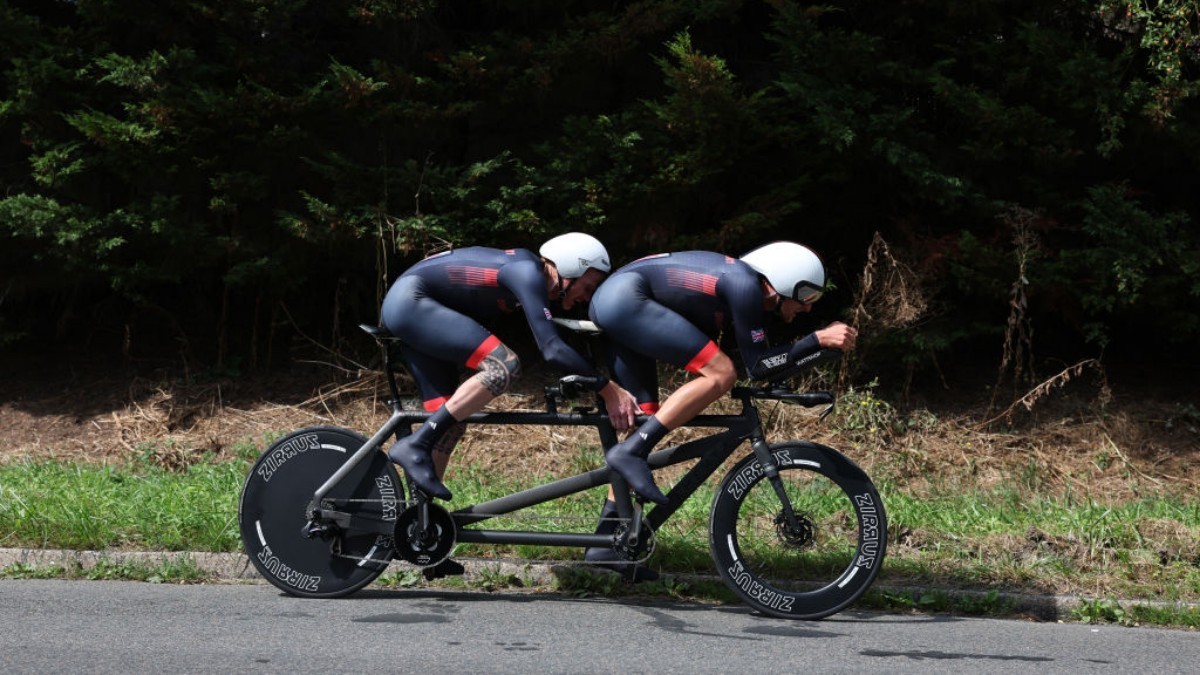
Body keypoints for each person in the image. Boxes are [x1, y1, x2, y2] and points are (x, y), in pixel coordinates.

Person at [584, 242, 857, 568]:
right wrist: (816, 339)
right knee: (720, 372)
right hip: (624, 299)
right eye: (807, 296)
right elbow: (755, 368)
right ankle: (632, 452)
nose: (808, 308)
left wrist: (812, 348)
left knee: (647, 419)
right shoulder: (744, 284)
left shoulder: (745, 289)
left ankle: (605, 544)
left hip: (620, 299)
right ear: (780, 281)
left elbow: (762, 366)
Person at [380, 233, 639, 510]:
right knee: (505, 365)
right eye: (588, 287)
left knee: (450, 419)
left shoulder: (526, 273)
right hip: (412, 301)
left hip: (414, 304)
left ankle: (419, 524)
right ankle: (417, 443)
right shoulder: (527, 272)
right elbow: (551, 349)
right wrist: (607, 388)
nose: (585, 298)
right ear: (571, 267)